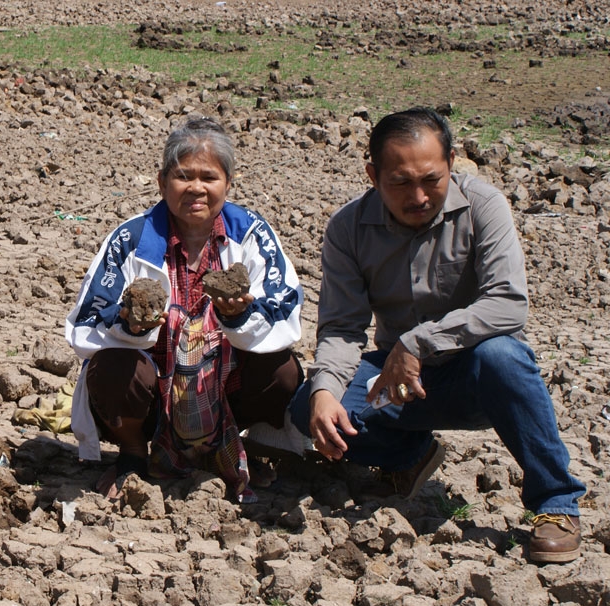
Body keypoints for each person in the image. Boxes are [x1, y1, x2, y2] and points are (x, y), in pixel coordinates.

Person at [290, 107, 587, 563]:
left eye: (431, 179)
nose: (419, 196)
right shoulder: (348, 228)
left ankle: (555, 504)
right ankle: (408, 455)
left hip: (473, 373)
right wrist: (326, 389)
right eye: (401, 182)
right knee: (308, 404)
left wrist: (418, 342)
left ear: (451, 162)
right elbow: (343, 327)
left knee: (504, 356)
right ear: (373, 174)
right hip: (398, 382)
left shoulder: (483, 206)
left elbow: (507, 304)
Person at [66, 118, 304, 502]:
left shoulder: (253, 234)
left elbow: (285, 314)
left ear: (228, 183)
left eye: (208, 177)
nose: (196, 188)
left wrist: (237, 317)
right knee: (113, 369)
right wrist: (130, 324)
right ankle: (131, 454)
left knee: (281, 370)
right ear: (162, 183)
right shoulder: (132, 238)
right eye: (182, 176)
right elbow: (86, 322)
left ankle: (232, 449)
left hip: (224, 390)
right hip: (152, 399)